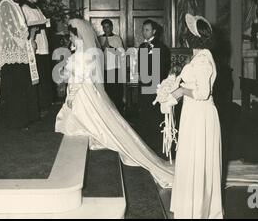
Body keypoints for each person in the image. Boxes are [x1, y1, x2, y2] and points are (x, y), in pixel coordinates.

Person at [55, 18, 173, 188]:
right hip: (88, 92)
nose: (70, 39)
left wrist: (71, 98)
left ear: (78, 37)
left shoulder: (81, 55)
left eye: (72, 36)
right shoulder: (84, 54)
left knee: (90, 121)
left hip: (82, 94)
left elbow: (78, 80)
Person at [169, 14, 223, 219]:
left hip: (200, 116)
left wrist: (181, 91)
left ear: (192, 37)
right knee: (193, 159)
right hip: (194, 114)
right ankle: (190, 208)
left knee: (198, 161)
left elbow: (202, 93)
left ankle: (197, 211)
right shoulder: (200, 55)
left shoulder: (202, 59)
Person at [0, 0, 39, 131]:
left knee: (20, 88)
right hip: (13, 53)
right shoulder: (6, 5)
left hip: (20, 51)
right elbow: (14, 30)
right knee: (15, 89)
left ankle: (20, 121)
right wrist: (28, 42)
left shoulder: (14, 5)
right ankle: (14, 122)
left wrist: (27, 41)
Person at [137, 19, 170, 158]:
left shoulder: (161, 47)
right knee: (145, 114)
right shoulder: (142, 46)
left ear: (154, 31)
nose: (144, 32)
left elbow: (162, 68)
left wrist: (155, 84)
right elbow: (141, 66)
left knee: (155, 115)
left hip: (155, 85)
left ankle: (156, 145)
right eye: (143, 30)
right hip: (145, 84)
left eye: (147, 30)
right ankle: (146, 144)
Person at [22, 0, 53, 117]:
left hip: (43, 44)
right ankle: (37, 107)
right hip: (34, 45)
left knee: (44, 75)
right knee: (36, 76)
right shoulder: (24, 8)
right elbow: (24, 27)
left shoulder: (37, 8)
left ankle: (44, 104)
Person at [98, 19, 124, 112]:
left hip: (114, 69)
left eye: (108, 27)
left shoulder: (117, 38)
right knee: (106, 92)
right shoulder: (99, 38)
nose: (106, 29)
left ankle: (118, 112)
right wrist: (101, 48)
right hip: (103, 69)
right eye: (104, 27)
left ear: (112, 27)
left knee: (116, 93)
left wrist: (110, 48)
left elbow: (121, 53)